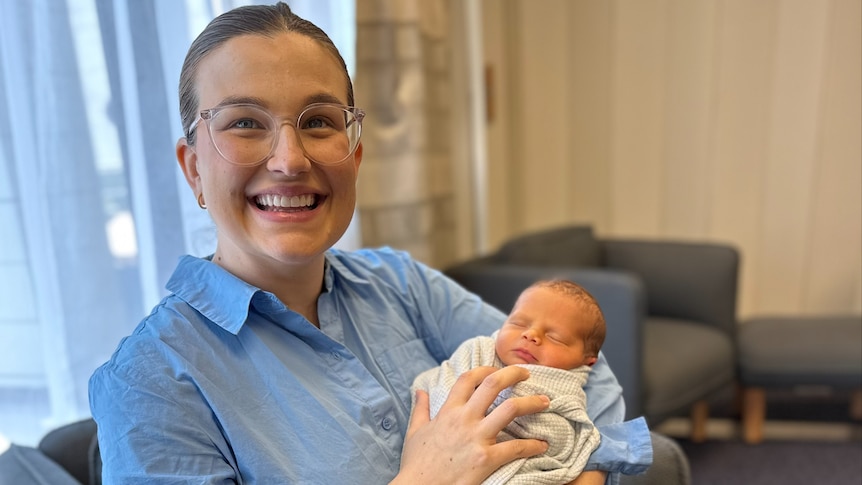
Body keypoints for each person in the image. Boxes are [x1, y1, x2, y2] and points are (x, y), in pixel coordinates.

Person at [88, 3, 651, 484]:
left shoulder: (402, 284)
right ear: (192, 171)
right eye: (244, 123)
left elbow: (579, 372)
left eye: (318, 122)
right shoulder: (151, 382)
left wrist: (588, 471)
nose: (289, 160)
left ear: (354, 156)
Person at [413, 280, 643, 484]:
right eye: (519, 323)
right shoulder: (479, 350)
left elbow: (566, 439)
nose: (531, 334)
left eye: (555, 337)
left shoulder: (569, 387)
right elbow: (444, 390)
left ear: (586, 362)